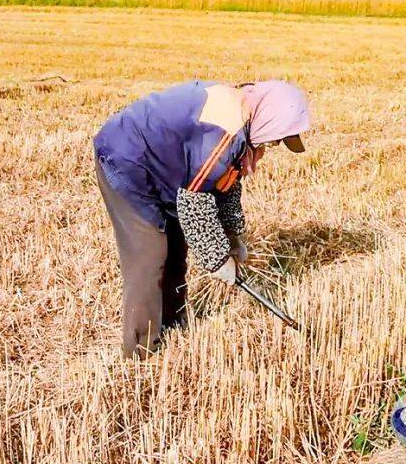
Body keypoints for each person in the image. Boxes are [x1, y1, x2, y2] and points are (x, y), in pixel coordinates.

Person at [93, 80, 311, 359]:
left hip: (164, 168)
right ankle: (141, 354)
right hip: (126, 158)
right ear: (269, 118)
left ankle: (172, 324)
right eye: (276, 138)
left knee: (175, 246)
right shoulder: (224, 131)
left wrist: (233, 235)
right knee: (149, 255)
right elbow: (195, 203)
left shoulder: (245, 118)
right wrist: (218, 259)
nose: (273, 145)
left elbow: (225, 182)